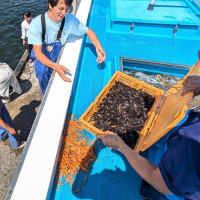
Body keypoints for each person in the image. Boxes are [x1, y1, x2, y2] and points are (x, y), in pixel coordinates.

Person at [100, 75, 200, 200]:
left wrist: (121, 146)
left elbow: (159, 181)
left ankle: (157, 195)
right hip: (188, 131)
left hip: (182, 186)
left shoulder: (191, 147)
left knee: (163, 184)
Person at [28, 0, 106, 94]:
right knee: (44, 80)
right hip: (42, 61)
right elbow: (38, 54)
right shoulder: (36, 24)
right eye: (61, 9)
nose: (64, 13)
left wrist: (98, 47)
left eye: (67, 9)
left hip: (57, 57)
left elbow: (88, 31)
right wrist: (55, 67)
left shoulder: (69, 19)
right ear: (50, 5)